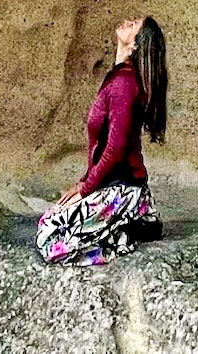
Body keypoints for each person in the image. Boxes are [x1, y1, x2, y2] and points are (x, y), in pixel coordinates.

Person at [36, 16, 168, 266]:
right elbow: (104, 145)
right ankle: (123, 227)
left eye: (134, 25)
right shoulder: (120, 76)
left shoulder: (124, 84)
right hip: (115, 185)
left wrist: (86, 191)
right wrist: (83, 183)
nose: (127, 22)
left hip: (122, 189)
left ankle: (123, 238)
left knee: (50, 241)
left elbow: (115, 149)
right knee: (48, 220)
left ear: (137, 45)